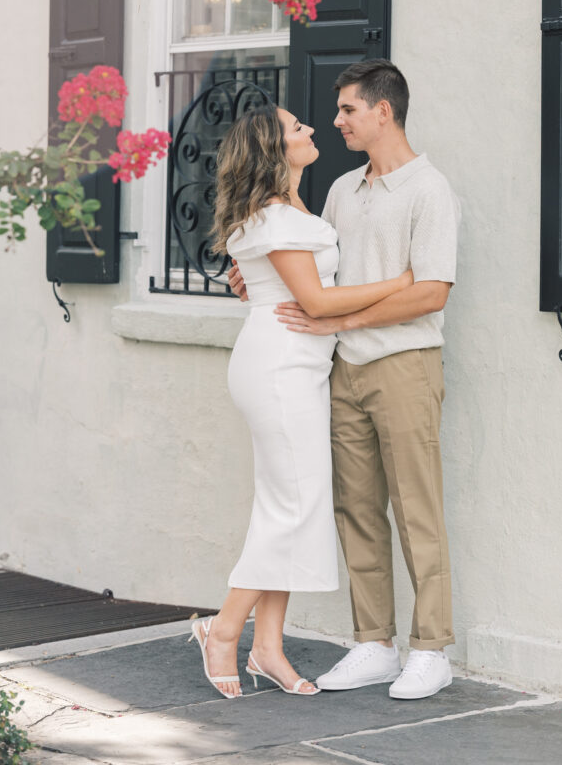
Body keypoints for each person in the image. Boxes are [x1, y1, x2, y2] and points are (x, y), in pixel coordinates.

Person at [229, 59, 460, 700]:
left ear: (382, 111)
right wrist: (255, 275)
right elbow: (309, 267)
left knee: (418, 509)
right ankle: (374, 644)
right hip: (342, 373)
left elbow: (431, 293)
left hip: (404, 366)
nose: (336, 122)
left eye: (348, 111)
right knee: (356, 511)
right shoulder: (340, 190)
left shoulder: (428, 190)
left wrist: (340, 321)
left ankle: (432, 649)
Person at [191, 103, 414, 699]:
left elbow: (283, 287)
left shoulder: (290, 211)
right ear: (273, 150)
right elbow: (315, 302)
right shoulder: (274, 217)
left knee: (291, 503)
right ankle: (224, 628)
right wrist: (400, 283)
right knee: (291, 506)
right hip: (281, 366)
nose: (311, 129)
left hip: (299, 367)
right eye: (297, 128)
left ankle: (267, 647)